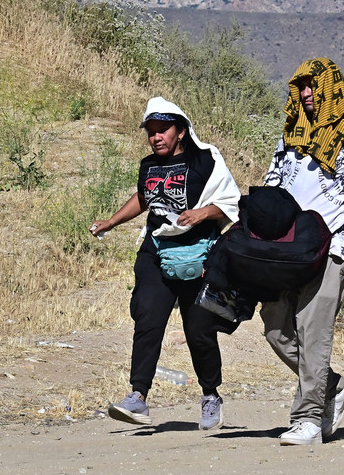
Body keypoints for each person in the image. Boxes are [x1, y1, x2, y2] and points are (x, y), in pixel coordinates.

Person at [93, 97, 241, 430]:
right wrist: (111, 222)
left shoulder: (205, 161)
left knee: (198, 329)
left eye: (164, 130)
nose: (156, 137)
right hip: (157, 249)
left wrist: (203, 213)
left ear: (182, 131)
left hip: (199, 252)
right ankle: (138, 397)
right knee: (147, 315)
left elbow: (231, 201)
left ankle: (210, 394)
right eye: (151, 132)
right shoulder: (148, 165)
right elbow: (145, 198)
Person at [260, 57, 344, 445]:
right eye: (302, 87)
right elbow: (273, 189)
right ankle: (334, 387)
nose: (307, 94)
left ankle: (308, 418)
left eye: (314, 86)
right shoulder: (289, 138)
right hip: (288, 248)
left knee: (313, 332)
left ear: (331, 89)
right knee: (276, 328)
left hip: (335, 247)